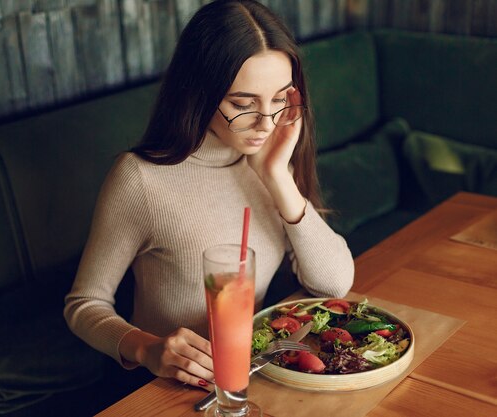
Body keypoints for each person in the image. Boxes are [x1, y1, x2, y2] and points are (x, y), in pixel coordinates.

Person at [64, 0, 353, 394]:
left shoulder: (271, 158)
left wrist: (277, 178)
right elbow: (83, 305)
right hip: (164, 391)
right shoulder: (141, 179)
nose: (266, 124)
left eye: (280, 99)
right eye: (242, 104)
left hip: (251, 378)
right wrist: (149, 349)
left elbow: (335, 283)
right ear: (200, 92)